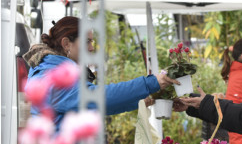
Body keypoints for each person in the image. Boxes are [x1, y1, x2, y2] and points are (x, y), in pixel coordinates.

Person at [23, 16, 178, 130]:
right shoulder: (52, 77)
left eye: (92, 42)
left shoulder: (51, 70)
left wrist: (138, 100)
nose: (91, 48)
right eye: (87, 41)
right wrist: (151, 83)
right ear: (66, 43)